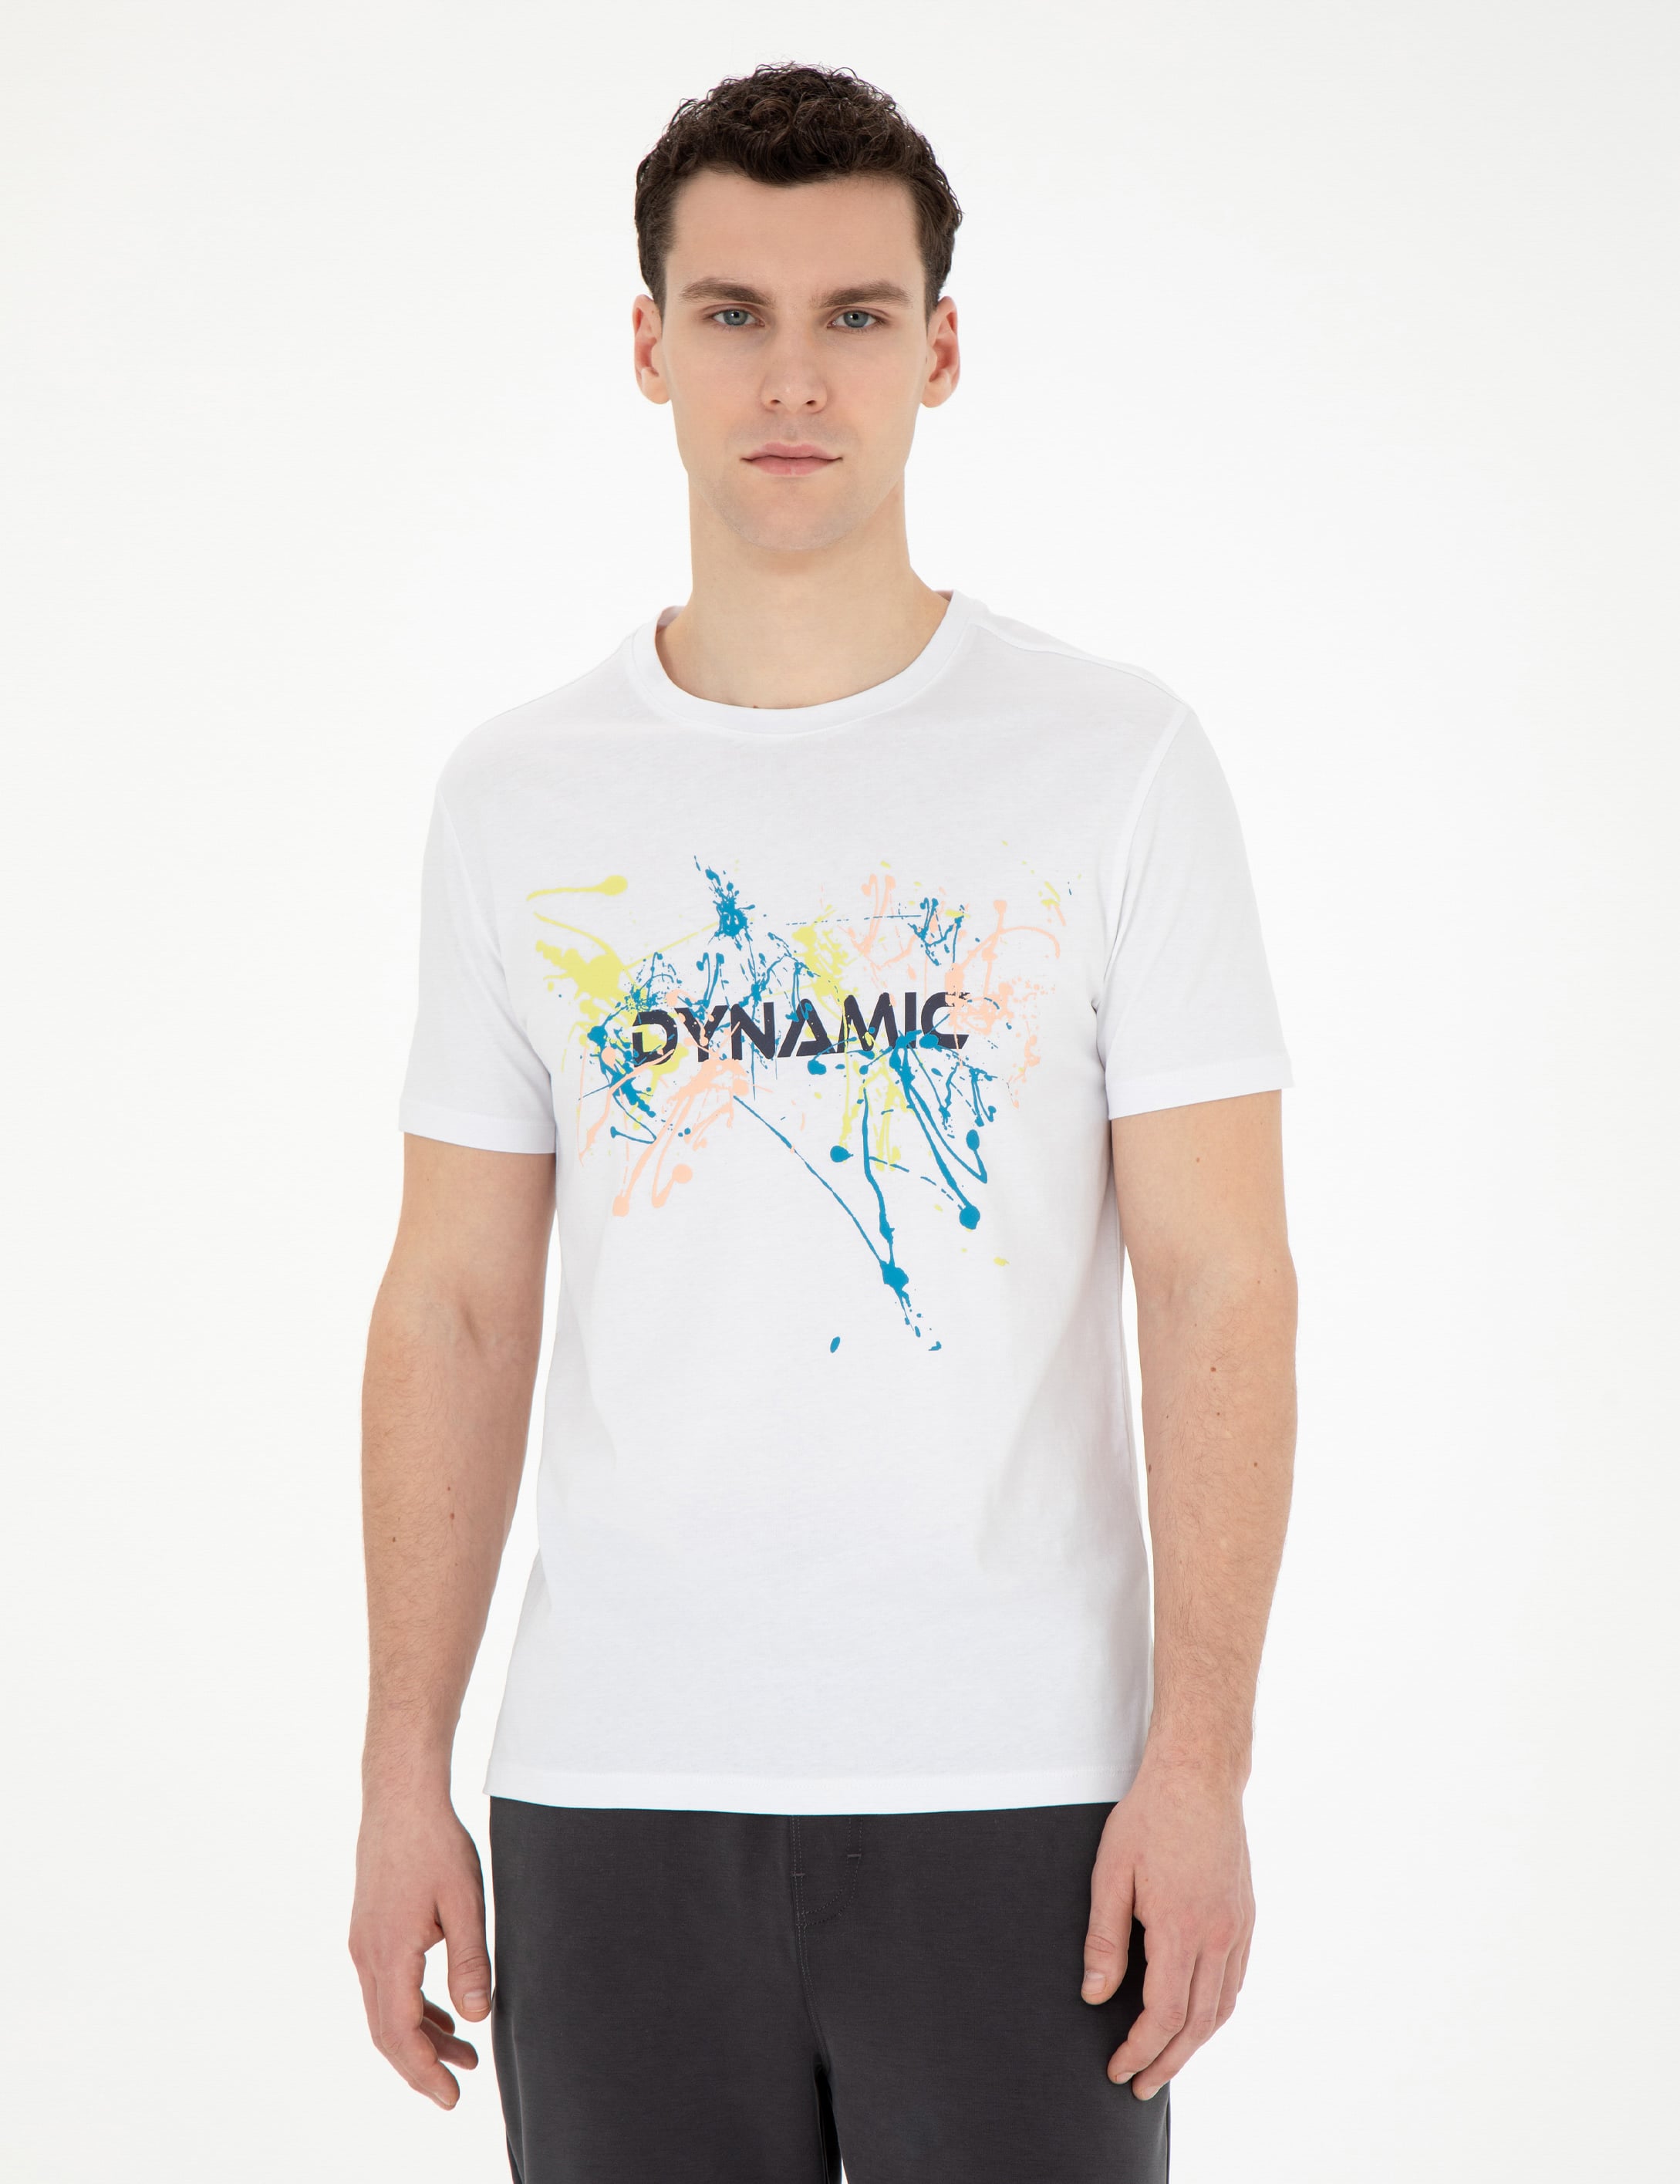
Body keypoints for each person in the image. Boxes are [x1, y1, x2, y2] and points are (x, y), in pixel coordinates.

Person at [349, 61, 1297, 2184]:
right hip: (613, 1791)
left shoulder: (1115, 763)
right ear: (648, 345)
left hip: (1027, 1792)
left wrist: (1203, 1762)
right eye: (734, 313)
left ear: (939, 351)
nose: (794, 376)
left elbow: (1220, 1280)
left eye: (856, 314)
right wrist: (402, 1770)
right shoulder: (519, 799)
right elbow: (454, 1304)